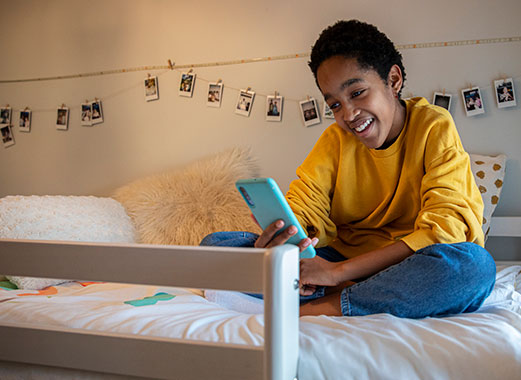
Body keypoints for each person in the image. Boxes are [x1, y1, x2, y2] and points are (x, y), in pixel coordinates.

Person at [200, 20, 495, 318]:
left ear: (393, 80)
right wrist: (286, 238)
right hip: (339, 263)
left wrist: (338, 273)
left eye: (356, 93)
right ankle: (360, 295)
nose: (349, 115)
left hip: (409, 264)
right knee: (216, 246)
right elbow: (306, 204)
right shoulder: (334, 141)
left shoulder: (433, 126)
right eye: (335, 105)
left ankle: (327, 303)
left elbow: (444, 232)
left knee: (473, 267)